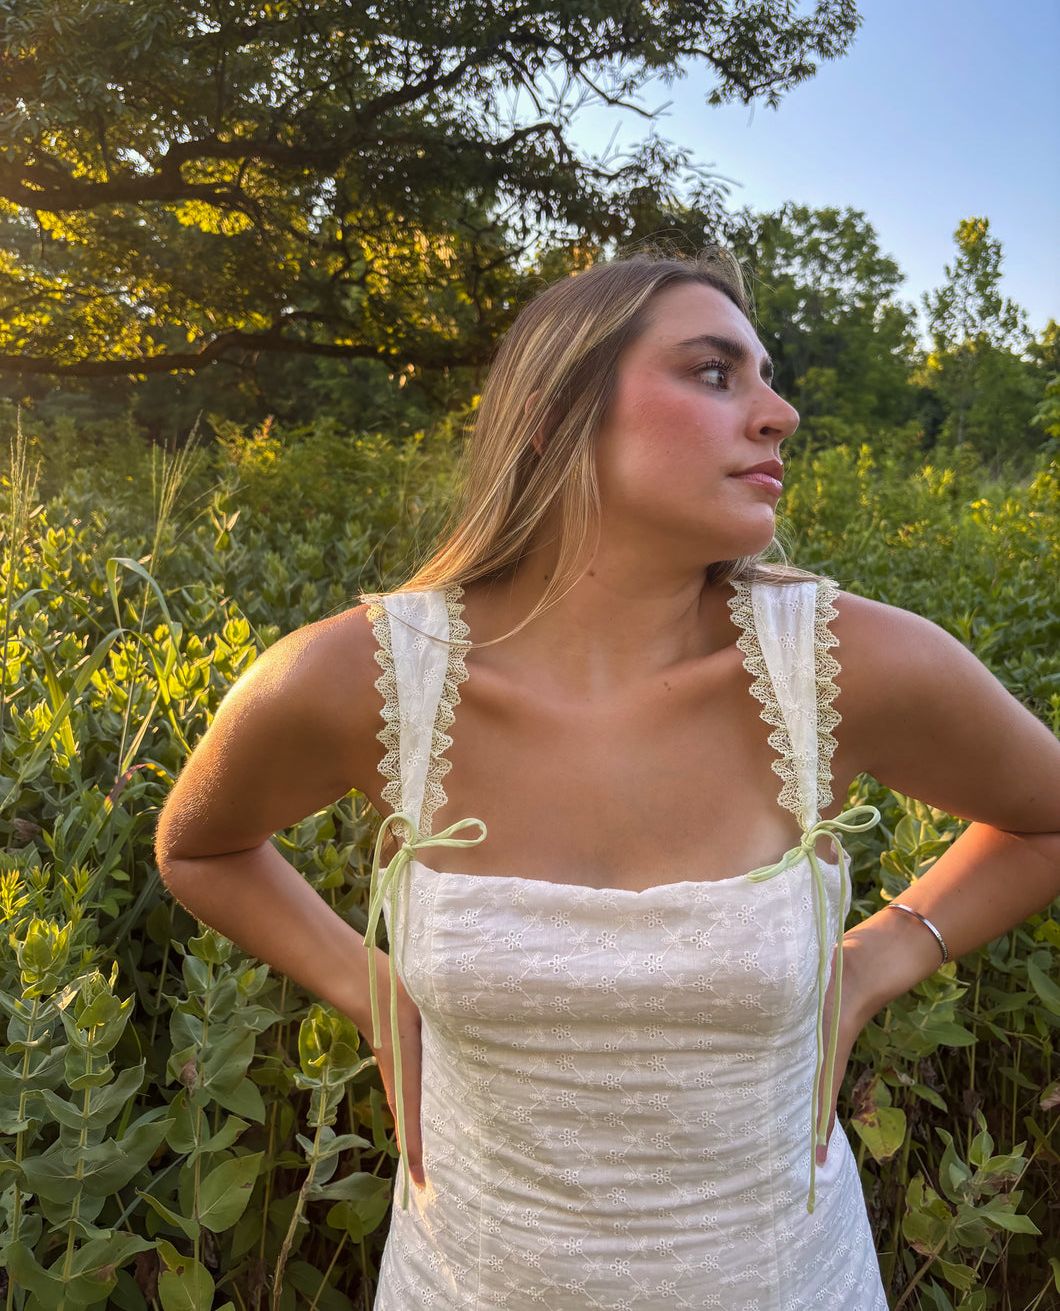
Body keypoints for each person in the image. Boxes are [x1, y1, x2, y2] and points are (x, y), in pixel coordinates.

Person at [155, 251, 1060, 1310]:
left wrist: (872, 962)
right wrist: (377, 995)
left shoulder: (847, 665)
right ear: (550, 414)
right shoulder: (362, 677)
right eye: (715, 372)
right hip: (467, 1284)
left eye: (765, 376)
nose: (778, 414)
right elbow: (198, 846)